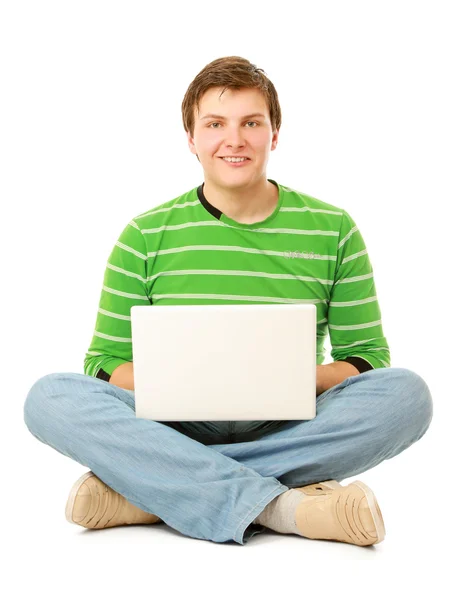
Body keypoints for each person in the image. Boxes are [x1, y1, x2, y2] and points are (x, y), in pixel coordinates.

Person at [23, 56, 433, 547]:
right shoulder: (144, 235)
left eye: (251, 123)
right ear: (192, 139)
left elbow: (368, 358)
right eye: (215, 124)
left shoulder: (334, 229)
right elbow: (102, 363)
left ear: (273, 134)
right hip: (174, 422)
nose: (233, 140)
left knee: (408, 396)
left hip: (288, 420)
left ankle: (154, 489)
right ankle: (282, 507)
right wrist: (184, 383)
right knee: (50, 397)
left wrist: (294, 380)